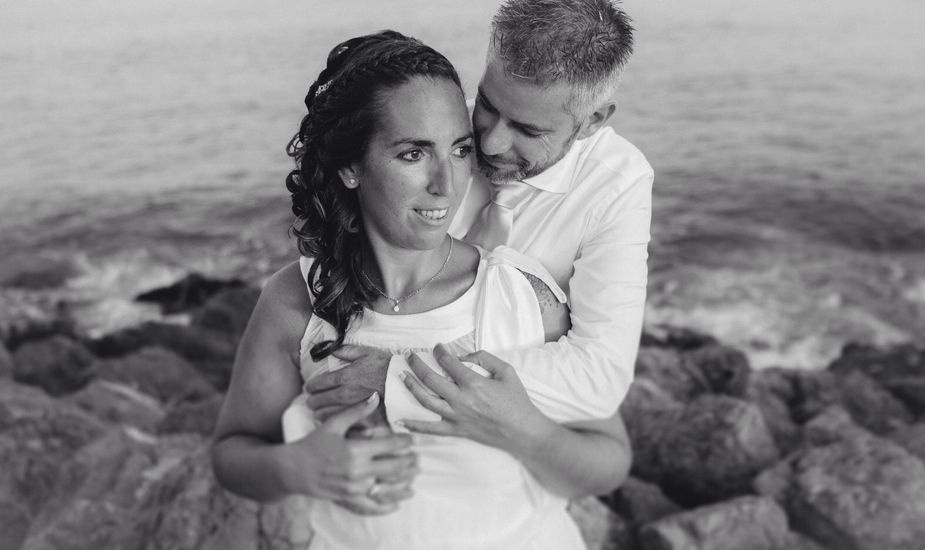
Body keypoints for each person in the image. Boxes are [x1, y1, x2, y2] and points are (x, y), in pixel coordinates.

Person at [211, 31, 630, 550]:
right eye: (413, 154)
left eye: (459, 150)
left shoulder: (522, 295)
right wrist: (296, 468)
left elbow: (607, 463)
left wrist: (518, 429)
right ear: (350, 166)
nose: (446, 184)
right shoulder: (297, 299)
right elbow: (233, 454)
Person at [307, 0, 653, 451]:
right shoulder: (431, 135)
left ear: (593, 121)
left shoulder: (617, 184)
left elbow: (597, 379)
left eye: (528, 130)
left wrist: (400, 376)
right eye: (487, 105)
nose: (489, 142)